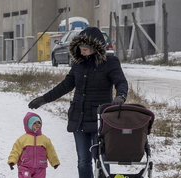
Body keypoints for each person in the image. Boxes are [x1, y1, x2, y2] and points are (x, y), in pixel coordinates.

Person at [28, 26, 128, 178]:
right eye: (80, 48)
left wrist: (121, 96)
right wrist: (44, 99)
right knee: (83, 161)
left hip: (99, 119)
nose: (82, 51)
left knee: (101, 160)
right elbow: (65, 85)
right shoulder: (78, 64)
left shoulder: (110, 62)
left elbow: (121, 82)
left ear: (96, 47)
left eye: (86, 48)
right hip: (79, 118)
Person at [7, 112, 60, 178]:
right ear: (29, 125)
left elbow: (51, 151)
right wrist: (12, 161)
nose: (37, 125)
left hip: (40, 167)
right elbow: (15, 151)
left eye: (39, 123)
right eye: (34, 123)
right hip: (25, 166)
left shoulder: (45, 139)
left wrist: (55, 162)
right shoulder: (22, 139)